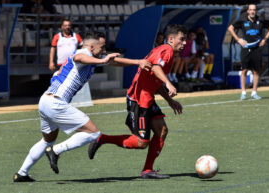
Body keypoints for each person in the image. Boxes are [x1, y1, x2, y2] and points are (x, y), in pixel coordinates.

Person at [13, 31, 152, 182]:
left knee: (47, 140)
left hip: (46, 101)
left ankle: (21, 173)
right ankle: (55, 151)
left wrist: (138, 62)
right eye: (102, 47)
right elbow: (79, 57)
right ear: (91, 46)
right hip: (56, 103)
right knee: (93, 133)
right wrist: (103, 61)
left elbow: (114, 62)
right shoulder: (82, 53)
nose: (104, 51)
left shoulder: (93, 57)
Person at [87, 24, 185, 179]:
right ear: (171, 39)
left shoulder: (166, 51)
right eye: (182, 39)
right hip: (138, 100)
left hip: (147, 98)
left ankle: (147, 170)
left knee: (162, 130)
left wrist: (169, 100)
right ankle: (102, 139)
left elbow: (155, 78)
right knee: (141, 142)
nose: (184, 43)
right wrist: (169, 83)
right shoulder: (166, 51)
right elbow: (156, 69)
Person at [228, 4, 269, 100]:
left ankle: (254, 93)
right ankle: (243, 93)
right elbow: (230, 28)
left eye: (254, 10)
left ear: (256, 11)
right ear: (248, 11)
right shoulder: (242, 20)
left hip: (257, 49)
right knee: (244, 70)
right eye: (251, 10)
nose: (252, 11)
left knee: (256, 71)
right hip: (246, 48)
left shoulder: (260, 20)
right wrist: (238, 40)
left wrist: (265, 39)